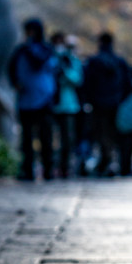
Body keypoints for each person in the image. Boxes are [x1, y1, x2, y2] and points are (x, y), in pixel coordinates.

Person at [8, 18, 59, 181]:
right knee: (27, 139)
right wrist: (16, 83)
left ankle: (48, 170)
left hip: (44, 101)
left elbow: (39, 62)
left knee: (46, 138)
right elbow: (11, 70)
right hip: (25, 101)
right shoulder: (19, 51)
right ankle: (27, 170)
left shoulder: (46, 50)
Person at [80, 32, 132, 176]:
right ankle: (110, 162)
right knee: (113, 133)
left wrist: (88, 100)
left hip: (97, 104)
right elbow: (129, 84)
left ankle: (106, 161)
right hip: (115, 104)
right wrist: (120, 99)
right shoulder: (120, 61)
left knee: (100, 133)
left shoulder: (94, 61)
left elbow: (86, 83)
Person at [51, 33, 83, 178]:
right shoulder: (51, 58)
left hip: (68, 106)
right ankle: (51, 166)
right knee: (50, 137)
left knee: (67, 139)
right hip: (49, 104)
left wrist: (64, 70)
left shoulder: (73, 61)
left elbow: (77, 79)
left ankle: (64, 167)